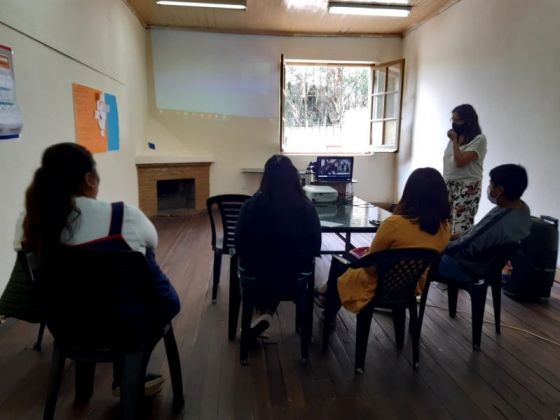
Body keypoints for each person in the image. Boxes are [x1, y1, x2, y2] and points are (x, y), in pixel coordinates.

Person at [14, 142, 180, 396]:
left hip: (67, 325)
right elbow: (152, 242)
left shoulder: (30, 221)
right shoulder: (123, 216)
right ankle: (129, 374)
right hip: (125, 324)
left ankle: (92, 384)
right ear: (89, 179)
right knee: (151, 272)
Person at [319, 167, 451, 321]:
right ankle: (325, 293)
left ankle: (327, 306)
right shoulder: (445, 229)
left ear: (409, 194)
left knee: (341, 265)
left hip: (377, 286)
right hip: (411, 288)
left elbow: (370, 267)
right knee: (350, 258)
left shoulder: (394, 224)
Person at [235, 155, 322, 338]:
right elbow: (315, 246)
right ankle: (268, 311)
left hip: (255, 273)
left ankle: (264, 310)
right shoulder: (307, 208)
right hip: (294, 275)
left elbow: (240, 245)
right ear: (294, 178)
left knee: (267, 265)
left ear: (265, 178)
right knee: (282, 264)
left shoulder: (250, 206)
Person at [437, 164, 531, 282]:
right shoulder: (521, 209)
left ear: (500, 190)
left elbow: (464, 247)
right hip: (488, 267)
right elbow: (477, 232)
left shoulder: (500, 221)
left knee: (423, 258)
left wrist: (437, 245)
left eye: (491, 184)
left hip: (469, 268)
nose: (489, 187)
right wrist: (452, 237)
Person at [444, 104, 487, 236]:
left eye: (457, 120)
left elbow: (460, 162)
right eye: (452, 120)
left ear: (468, 121)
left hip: (467, 186)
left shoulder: (479, 139)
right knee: (445, 223)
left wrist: (455, 141)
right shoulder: (455, 138)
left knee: (460, 226)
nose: (454, 124)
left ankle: (457, 256)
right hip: (449, 184)